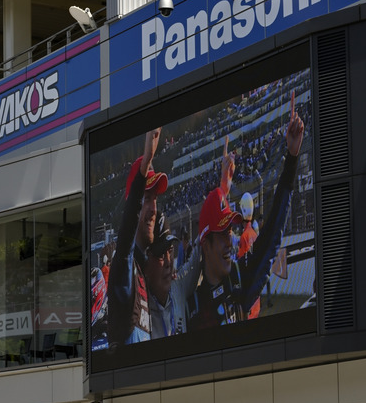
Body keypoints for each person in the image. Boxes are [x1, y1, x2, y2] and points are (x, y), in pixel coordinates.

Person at [187, 93, 305, 330]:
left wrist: (291, 160)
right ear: (205, 245)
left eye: (229, 231)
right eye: (221, 235)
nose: (229, 241)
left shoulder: (239, 279)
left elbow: (272, 237)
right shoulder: (191, 306)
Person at [107, 128, 166, 346]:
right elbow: (125, 245)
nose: (153, 209)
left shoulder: (145, 268)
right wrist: (143, 170)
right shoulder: (124, 267)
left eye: (155, 199)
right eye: (146, 199)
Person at [144, 214, 188, 338]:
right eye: (161, 254)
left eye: (170, 250)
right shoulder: (138, 309)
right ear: (145, 261)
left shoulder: (179, 285)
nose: (169, 262)